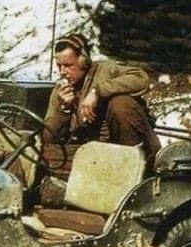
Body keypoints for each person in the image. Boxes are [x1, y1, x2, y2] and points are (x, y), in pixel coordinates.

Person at [43, 33, 161, 174]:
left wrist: (98, 92)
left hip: (126, 148)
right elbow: (49, 137)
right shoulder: (61, 91)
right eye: (59, 66)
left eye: (68, 66)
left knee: (121, 103)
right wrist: (64, 109)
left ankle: (134, 170)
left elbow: (140, 78)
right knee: (36, 156)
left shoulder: (106, 70)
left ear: (83, 61)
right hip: (91, 152)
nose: (62, 72)